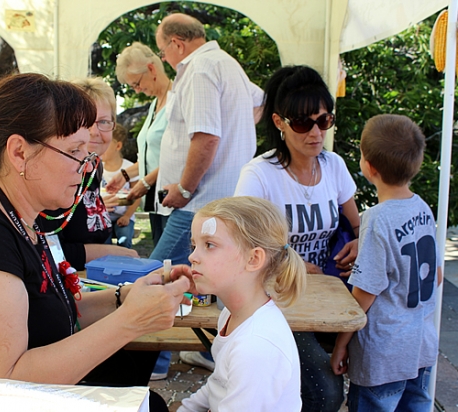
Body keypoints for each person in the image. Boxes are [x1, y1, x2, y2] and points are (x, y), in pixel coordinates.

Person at [0, 73, 191, 412]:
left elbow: (47, 309)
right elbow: (1, 381)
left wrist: (124, 298)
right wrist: (130, 320)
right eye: (74, 152)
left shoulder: (16, 214)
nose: (85, 167)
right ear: (19, 152)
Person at [234, 65, 360, 411]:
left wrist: (359, 243)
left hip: (328, 299)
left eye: (324, 120)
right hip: (276, 302)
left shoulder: (333, 166)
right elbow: (243, 243)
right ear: (279, 122)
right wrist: (292, 262)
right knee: (326, 393)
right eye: (303, 123)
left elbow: (358, 225)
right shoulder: (259, 174)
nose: (316, 133)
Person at [151, 12, 264, 376]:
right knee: (215, 280)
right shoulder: (226, 63)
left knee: (157, 275)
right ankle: (213, 354)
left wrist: (184, 188)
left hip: (200, 201)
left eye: (163, 51)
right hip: (221, 199)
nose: (164, 58)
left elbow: (206, 137)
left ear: (176, 43)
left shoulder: (200, 68)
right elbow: (258, 104)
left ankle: (151, 361)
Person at [330, 114, 442, 412]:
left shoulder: (376, 219)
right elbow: (437, 276)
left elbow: (364, 294)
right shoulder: (423, 209)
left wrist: (341, 343)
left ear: (368, 167)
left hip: (383, 354)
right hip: (421, 346)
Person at [172, 196, 306, 411]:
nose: (192, 257)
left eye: (209, 245)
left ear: (253, 259)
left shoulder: (256, 346)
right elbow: (218, 383)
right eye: (194, 245)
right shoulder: (232, 314)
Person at [38, 77, 138, 271]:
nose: (94, 132)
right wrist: (112, 253)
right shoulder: (59, 171)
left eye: (104, 122)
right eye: (86, 122)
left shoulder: (95, 165)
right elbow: (48, 250)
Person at [107, 41, 172, 246]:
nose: (136, 91)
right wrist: (125, 175)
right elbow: (152, 158)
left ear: (151, 69)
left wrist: (144, 183)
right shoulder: (155, 104)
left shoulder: (176, 100)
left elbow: (179, 159)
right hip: (156, 201)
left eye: (136, 83)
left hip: (172, 199)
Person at [101, 124, 139, 248]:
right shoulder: (97, 168)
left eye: (105, 144)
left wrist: (127, 216)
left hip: (124, 215)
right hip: (102, 217)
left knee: (124, 240)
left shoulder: (129, 168)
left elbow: (137, 196)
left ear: (118, 146)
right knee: (103, 243)